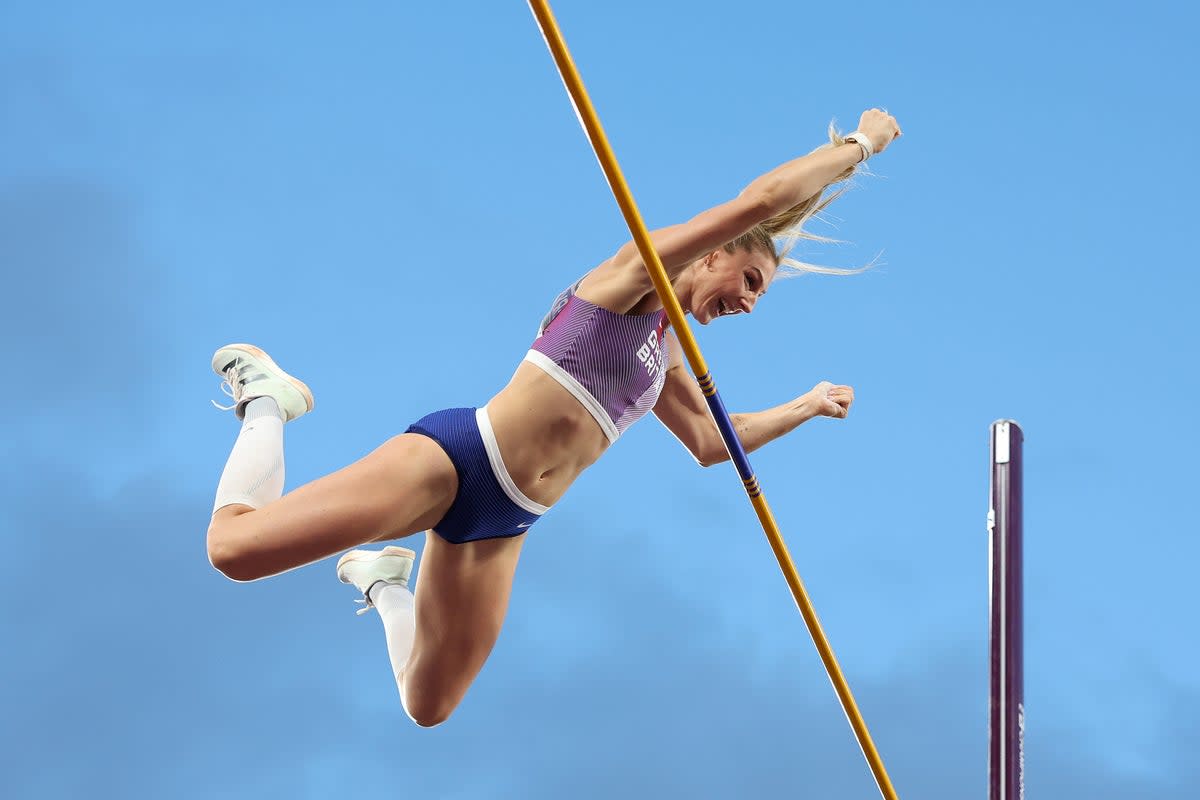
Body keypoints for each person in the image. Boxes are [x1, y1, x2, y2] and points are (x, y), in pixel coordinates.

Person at [207, 108, 902, 727]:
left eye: (760, 296)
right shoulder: (634, 275)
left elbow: (714, 444)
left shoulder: (661, 358)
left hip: (506, 521)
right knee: (233, 552)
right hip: (460, 461)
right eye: (750, 280)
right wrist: (861, 145)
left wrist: (805, 406)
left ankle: (384, 581)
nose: (749, 302)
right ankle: (269, 398)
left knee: (427, 705)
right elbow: (764, 199)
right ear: (715, 252)